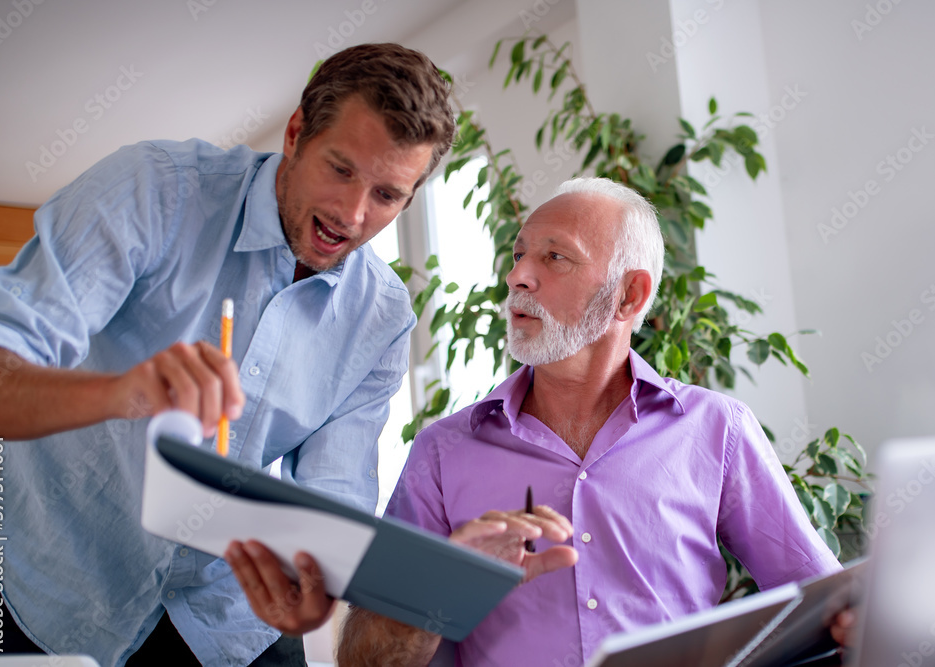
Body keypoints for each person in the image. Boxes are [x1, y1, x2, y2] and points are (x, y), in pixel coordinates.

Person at [0, 42, 454, 666]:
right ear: (295, 133)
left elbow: (333, 502)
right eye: (340, 169)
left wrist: (313, 590)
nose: (353, 214)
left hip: (222, 623)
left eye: (387, 195)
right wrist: (121, 393)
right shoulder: (153, 191)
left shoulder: (382, 319)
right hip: (43, 572)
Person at [331, 177, 845, 666]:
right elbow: (364, 658)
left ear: (629, 296)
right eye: (518, 255)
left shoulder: (718, 429)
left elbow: (831, 611)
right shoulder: (441, 452)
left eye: (555, 257)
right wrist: (443, 582)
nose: (517, 277)